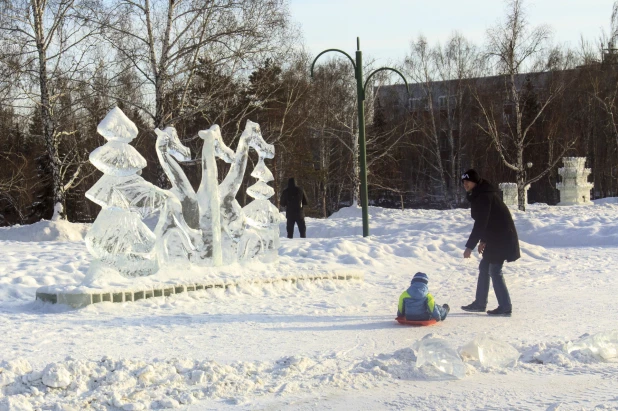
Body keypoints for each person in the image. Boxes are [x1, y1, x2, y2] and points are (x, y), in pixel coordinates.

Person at [460, 169, 520, 316]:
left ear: (475, 181)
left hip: (503, 237)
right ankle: (480, 303)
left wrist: (470, 246)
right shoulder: (479, 195)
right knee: (484, 266)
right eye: (463, 182)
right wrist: (483, 240)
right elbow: (489, 220)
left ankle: (505, 307)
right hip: (495, 237)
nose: (465, 184)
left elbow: (482, 222)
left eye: (468, 181)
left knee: (495, 270)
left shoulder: (484, 196)